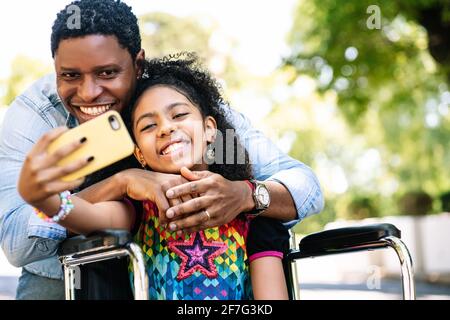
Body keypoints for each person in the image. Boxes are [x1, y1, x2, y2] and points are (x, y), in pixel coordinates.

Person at [0, 0, 324, 299]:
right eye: (70, 75)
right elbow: (21, 244)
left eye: (107, 73)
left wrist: (247, 195)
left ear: (137, 64)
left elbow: (305, 186)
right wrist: (115, 183)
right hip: (59, 272)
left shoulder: (176, 97)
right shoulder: (36, 117)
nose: (89, 92)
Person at [18, 54, 291, 299]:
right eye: (148, 125)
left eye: (179, 114)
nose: (165, 128)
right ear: (139, 154)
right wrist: (44, 199)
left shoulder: (253, 220)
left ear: (210, 130)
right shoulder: (138, 212)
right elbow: (84, 215)